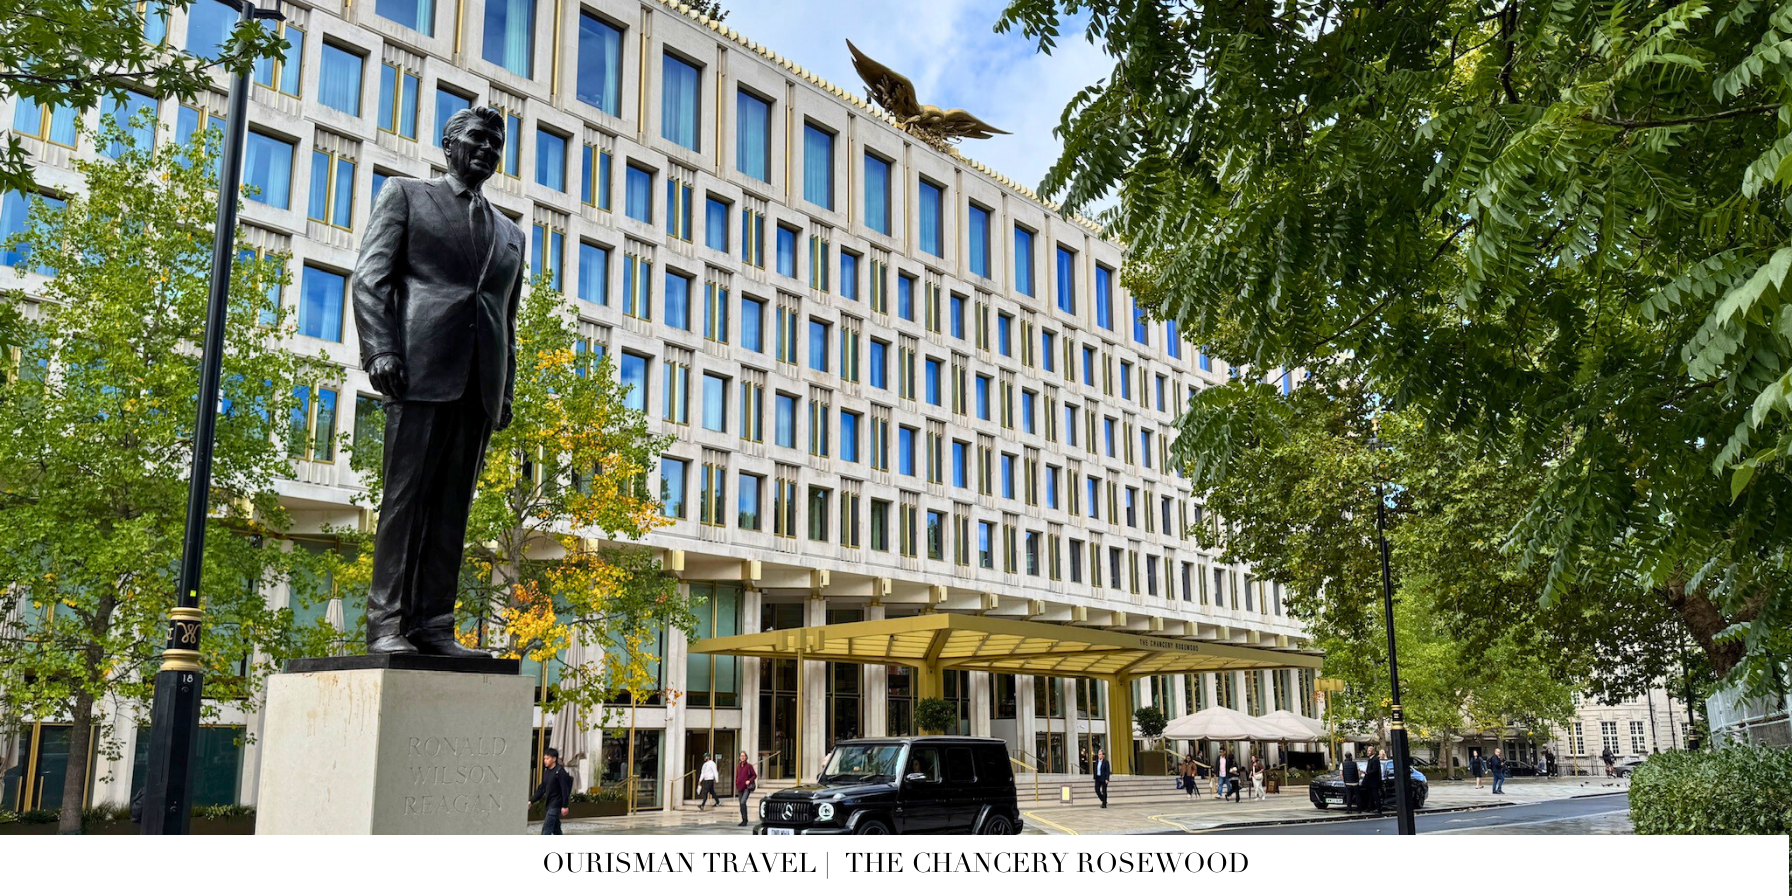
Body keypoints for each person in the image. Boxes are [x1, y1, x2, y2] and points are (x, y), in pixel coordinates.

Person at [353, 106, 524, 656]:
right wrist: (380, 347)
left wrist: (505, 391)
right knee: (405, 502)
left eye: (496, 143)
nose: (486, 149)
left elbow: (507, 318)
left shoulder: (511, 233)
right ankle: (386, 626)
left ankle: (434, 625)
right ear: (448, 143)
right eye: (476, 138)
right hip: (418, 369)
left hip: (479, 384)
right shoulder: (405, 195)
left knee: (454, 508)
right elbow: (369, 278)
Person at [529, 748, 573, 835]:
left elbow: (565, 790)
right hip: (549, 804)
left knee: (546, 830)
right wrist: (532, 800)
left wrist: (565, 806)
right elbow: (542, 788)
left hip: (555, 805)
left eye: (547, 758)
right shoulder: (547, 772)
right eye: (544, 758)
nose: (545, 761)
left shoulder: (560, 772)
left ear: (554, 759)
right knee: (556, 830)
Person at [735, 750, 758, 826]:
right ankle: (743, 819)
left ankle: (745, 820)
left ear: (746, 757)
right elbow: (737, 776)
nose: (742, 757)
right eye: (741, 756)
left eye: (743, 756)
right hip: (740, 787)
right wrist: (736, 783)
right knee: (741, 804)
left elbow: (754, 775)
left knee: (743, 802)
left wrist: (749, 780)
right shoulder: (738, 766)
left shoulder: (749, 766)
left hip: (746, 788)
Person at [1361, 747, 1384, 815]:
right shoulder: (1370, 760)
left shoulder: (1375, 760)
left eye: (1369, 751)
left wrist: (1367, 773)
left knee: (1375, 795)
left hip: (1374, 781)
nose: (1368, 752)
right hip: (1369, 781)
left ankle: (1379, 809)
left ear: (1373, 752)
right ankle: (1370, 808)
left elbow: (1375, 770)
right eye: (1368, 751)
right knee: (1370, 795)